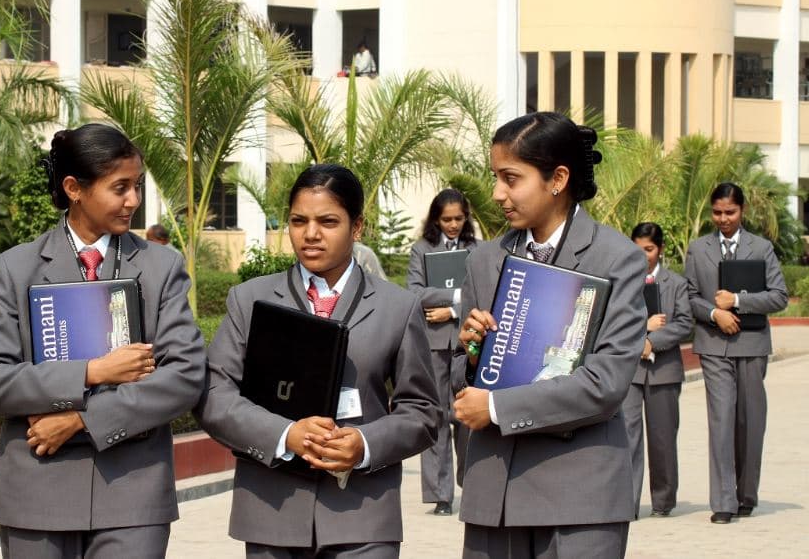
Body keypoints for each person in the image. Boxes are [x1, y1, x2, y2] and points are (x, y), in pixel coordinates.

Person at [0, 124, 205, 558]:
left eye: (136, 186)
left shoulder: (162, 268)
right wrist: (93, 371)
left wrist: (81, 419)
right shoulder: (17, 268)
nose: (133, 200)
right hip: (36, 493)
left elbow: (185, 376)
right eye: (120, 188)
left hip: (132, 496)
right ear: (74, 188)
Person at [197, 163, 439, 558]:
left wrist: (364, 443)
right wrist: (284, 435)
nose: (310, 234)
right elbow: (213, 395)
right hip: (271, 511)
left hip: (363, 517)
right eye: (298, 221)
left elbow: (424, 411)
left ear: (357, 227)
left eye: (328, 221)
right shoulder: (248, 300)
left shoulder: (399, 307)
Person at [451, 112, 647, 558]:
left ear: (557, 178)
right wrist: (471, 354)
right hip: (494, 494)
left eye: (511, 178)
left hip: (578, 496)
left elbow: (607, 384)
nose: (498, 193)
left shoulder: (617, 260)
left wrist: (497, 406)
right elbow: (458, 385)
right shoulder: (484, 260)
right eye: (495, 177)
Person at [684, 182, 788, 524]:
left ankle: (746, 495)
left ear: (742, 211)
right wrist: (716, 314)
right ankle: (724, 502)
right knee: (721, 421)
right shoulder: (698, 250)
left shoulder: (761, 248)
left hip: (752, 344)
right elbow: (689, 295)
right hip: (713, 346)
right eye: (717, 212)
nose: (723, 219)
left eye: (730, 212)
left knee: (750, 422)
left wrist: (739, 302)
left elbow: (779, 296)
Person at [407, 188, 480, 516]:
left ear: (466, 218)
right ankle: (440, 495)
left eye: (458, 218)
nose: (452, 224)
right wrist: (457, 295)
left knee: (468, 417)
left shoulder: (476, 250)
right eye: (446, 219)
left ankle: (471, 481)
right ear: (436, 219)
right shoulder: (421, 250)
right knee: (436, 417)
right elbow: (415, 294)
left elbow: (482, 294)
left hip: (469, 346)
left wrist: (451, 308)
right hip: (433, 346)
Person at [621, 222, 693, 519]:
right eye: (637, 250)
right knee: (628, 436)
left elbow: (685, 324)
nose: (643, 255)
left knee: (663, 438)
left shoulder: (676, 283)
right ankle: (628, 502)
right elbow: (614, 322)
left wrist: (653, 341)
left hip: (665, 371)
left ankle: (663, 502)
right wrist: (643, 330)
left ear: (660, 249)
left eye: (648, 250)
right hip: (631, 372)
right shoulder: (623, 283)